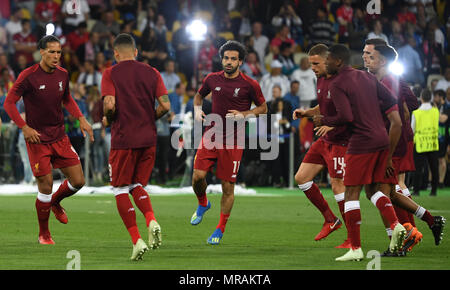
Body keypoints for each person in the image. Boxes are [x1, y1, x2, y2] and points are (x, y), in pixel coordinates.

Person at [316, 44, 406, 261]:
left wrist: (324, 120)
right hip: (381, 139)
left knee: (351, 193)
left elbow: (345, 117)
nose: (325, 63)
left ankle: (355, 248)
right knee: (374, 190)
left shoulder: (337, 83)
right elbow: (392, 101)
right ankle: (396, 225)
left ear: (338, 61)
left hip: (361, 142)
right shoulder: (367, 78)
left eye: (328, 60)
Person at [3, 35, 94, 245]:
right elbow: (9, 103)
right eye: (51, 52)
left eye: (59, 52)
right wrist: (24, 127)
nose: (56, 56)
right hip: (37, 138)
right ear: (41, 52)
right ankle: (44, 234)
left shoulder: (63, 74)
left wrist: (81, 119)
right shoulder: (28, 76)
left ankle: (54, 202)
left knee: (79, 181)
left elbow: (67, 98)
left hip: (59, 136)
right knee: (45, 185)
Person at [190, 40, 267, 245]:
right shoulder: (212, 79)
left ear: (240, 61)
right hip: (211, 135)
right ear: (222, 59)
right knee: (197, 177)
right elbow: (198, 97)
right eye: (226, 58)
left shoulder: (250, 84)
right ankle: (203, 203)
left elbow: (263, 108)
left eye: (233, 59)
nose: (229, 62)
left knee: (227, 187)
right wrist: (198, 111)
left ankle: (220, 228)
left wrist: (245, 114)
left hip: (234, 141)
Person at [102, 33, 171, 261]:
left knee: (120, 188)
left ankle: (136, 240)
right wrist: (148, 118)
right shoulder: (152, 72)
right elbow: (165, 105)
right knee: (136, 184)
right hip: (148, 139)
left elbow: (110, 105)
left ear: (115, 53)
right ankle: (151, 218)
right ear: (136, 52)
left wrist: (108, 119)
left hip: (124, 140)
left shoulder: (110, 73)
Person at [292, 44, 350, 247]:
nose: (313, 68)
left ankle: (352, 237)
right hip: (325, 139)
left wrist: (329, 124)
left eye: (316, 63)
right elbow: (324, 106)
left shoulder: (341, 81)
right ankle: (330, 219)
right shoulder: (320, 79)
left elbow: (348, 113)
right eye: (311, 64)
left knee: (338, 185)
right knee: (301, 177)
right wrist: (307, 113)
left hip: (341, 140)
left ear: (329, 60)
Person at [411, 88, 440, 196]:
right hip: (432, 143)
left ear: (421, 98)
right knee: (434, 168)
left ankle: (416, 190)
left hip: (420, 143)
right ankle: (434, 191)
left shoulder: (416, 113)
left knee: (418, 168)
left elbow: (412, 129)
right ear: (431, 98)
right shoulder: (435, 111)